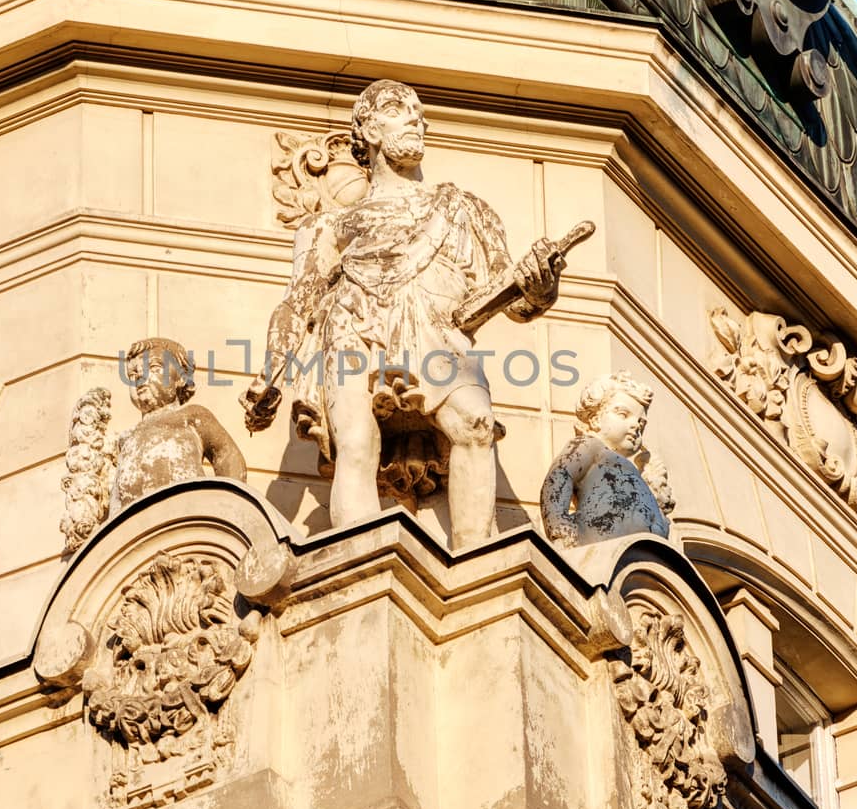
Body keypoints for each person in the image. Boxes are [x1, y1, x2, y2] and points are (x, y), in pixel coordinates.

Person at [241, 80, 567, 549]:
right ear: (368, 129)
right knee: (356, 445)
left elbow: (513, 299)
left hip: (437, 329)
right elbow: (298, 302)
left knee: (475, 424)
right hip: (353, 322)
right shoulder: (328, 225)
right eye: (398, 109)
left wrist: (541, 287)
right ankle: (358, 559)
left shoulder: (465, 209)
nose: (417, 118)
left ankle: (474, 565)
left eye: (418, 112)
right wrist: (271, 374)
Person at [61, 337, 246, 556]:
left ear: (180, 378)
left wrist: (229, 511)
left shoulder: (192, 416)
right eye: (132, 374)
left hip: (187, 521)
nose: (139, 376)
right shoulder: (126, 438)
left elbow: (228, 457)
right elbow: (116, 496)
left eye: (154, 367)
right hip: (132, 536)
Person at [540, 371, 673, 546]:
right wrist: (558, 524)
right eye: (623, 414)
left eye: (641, 424)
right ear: (595, 420)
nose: (635, 426)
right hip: (597, 546)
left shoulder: (635, 473)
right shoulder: (591, 446)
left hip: (643, 558)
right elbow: (560, 475)